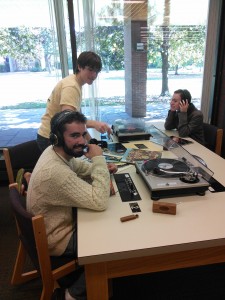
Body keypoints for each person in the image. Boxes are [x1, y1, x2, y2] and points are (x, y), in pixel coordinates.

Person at [27, 110, 117, 300]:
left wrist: (99, 169)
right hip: (57, 238)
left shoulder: (54, 152)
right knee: (111, 242)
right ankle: (73, 294)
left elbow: (79, 167)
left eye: (83, 134)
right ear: (57, 138)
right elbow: (99, 201)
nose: (83, 141)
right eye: (74, 135)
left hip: (55, 225)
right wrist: (99, 161)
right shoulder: (56, 172)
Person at [37, 51, 112, 152]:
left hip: (53, 135)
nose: (94, 75)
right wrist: (95, 124)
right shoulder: (71, 86)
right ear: (80, 67)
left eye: (97, 71)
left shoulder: (75, 83)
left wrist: (91, 143)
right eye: (90, 70)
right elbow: (69, 119)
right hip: (50, 138)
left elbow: (77, 119)